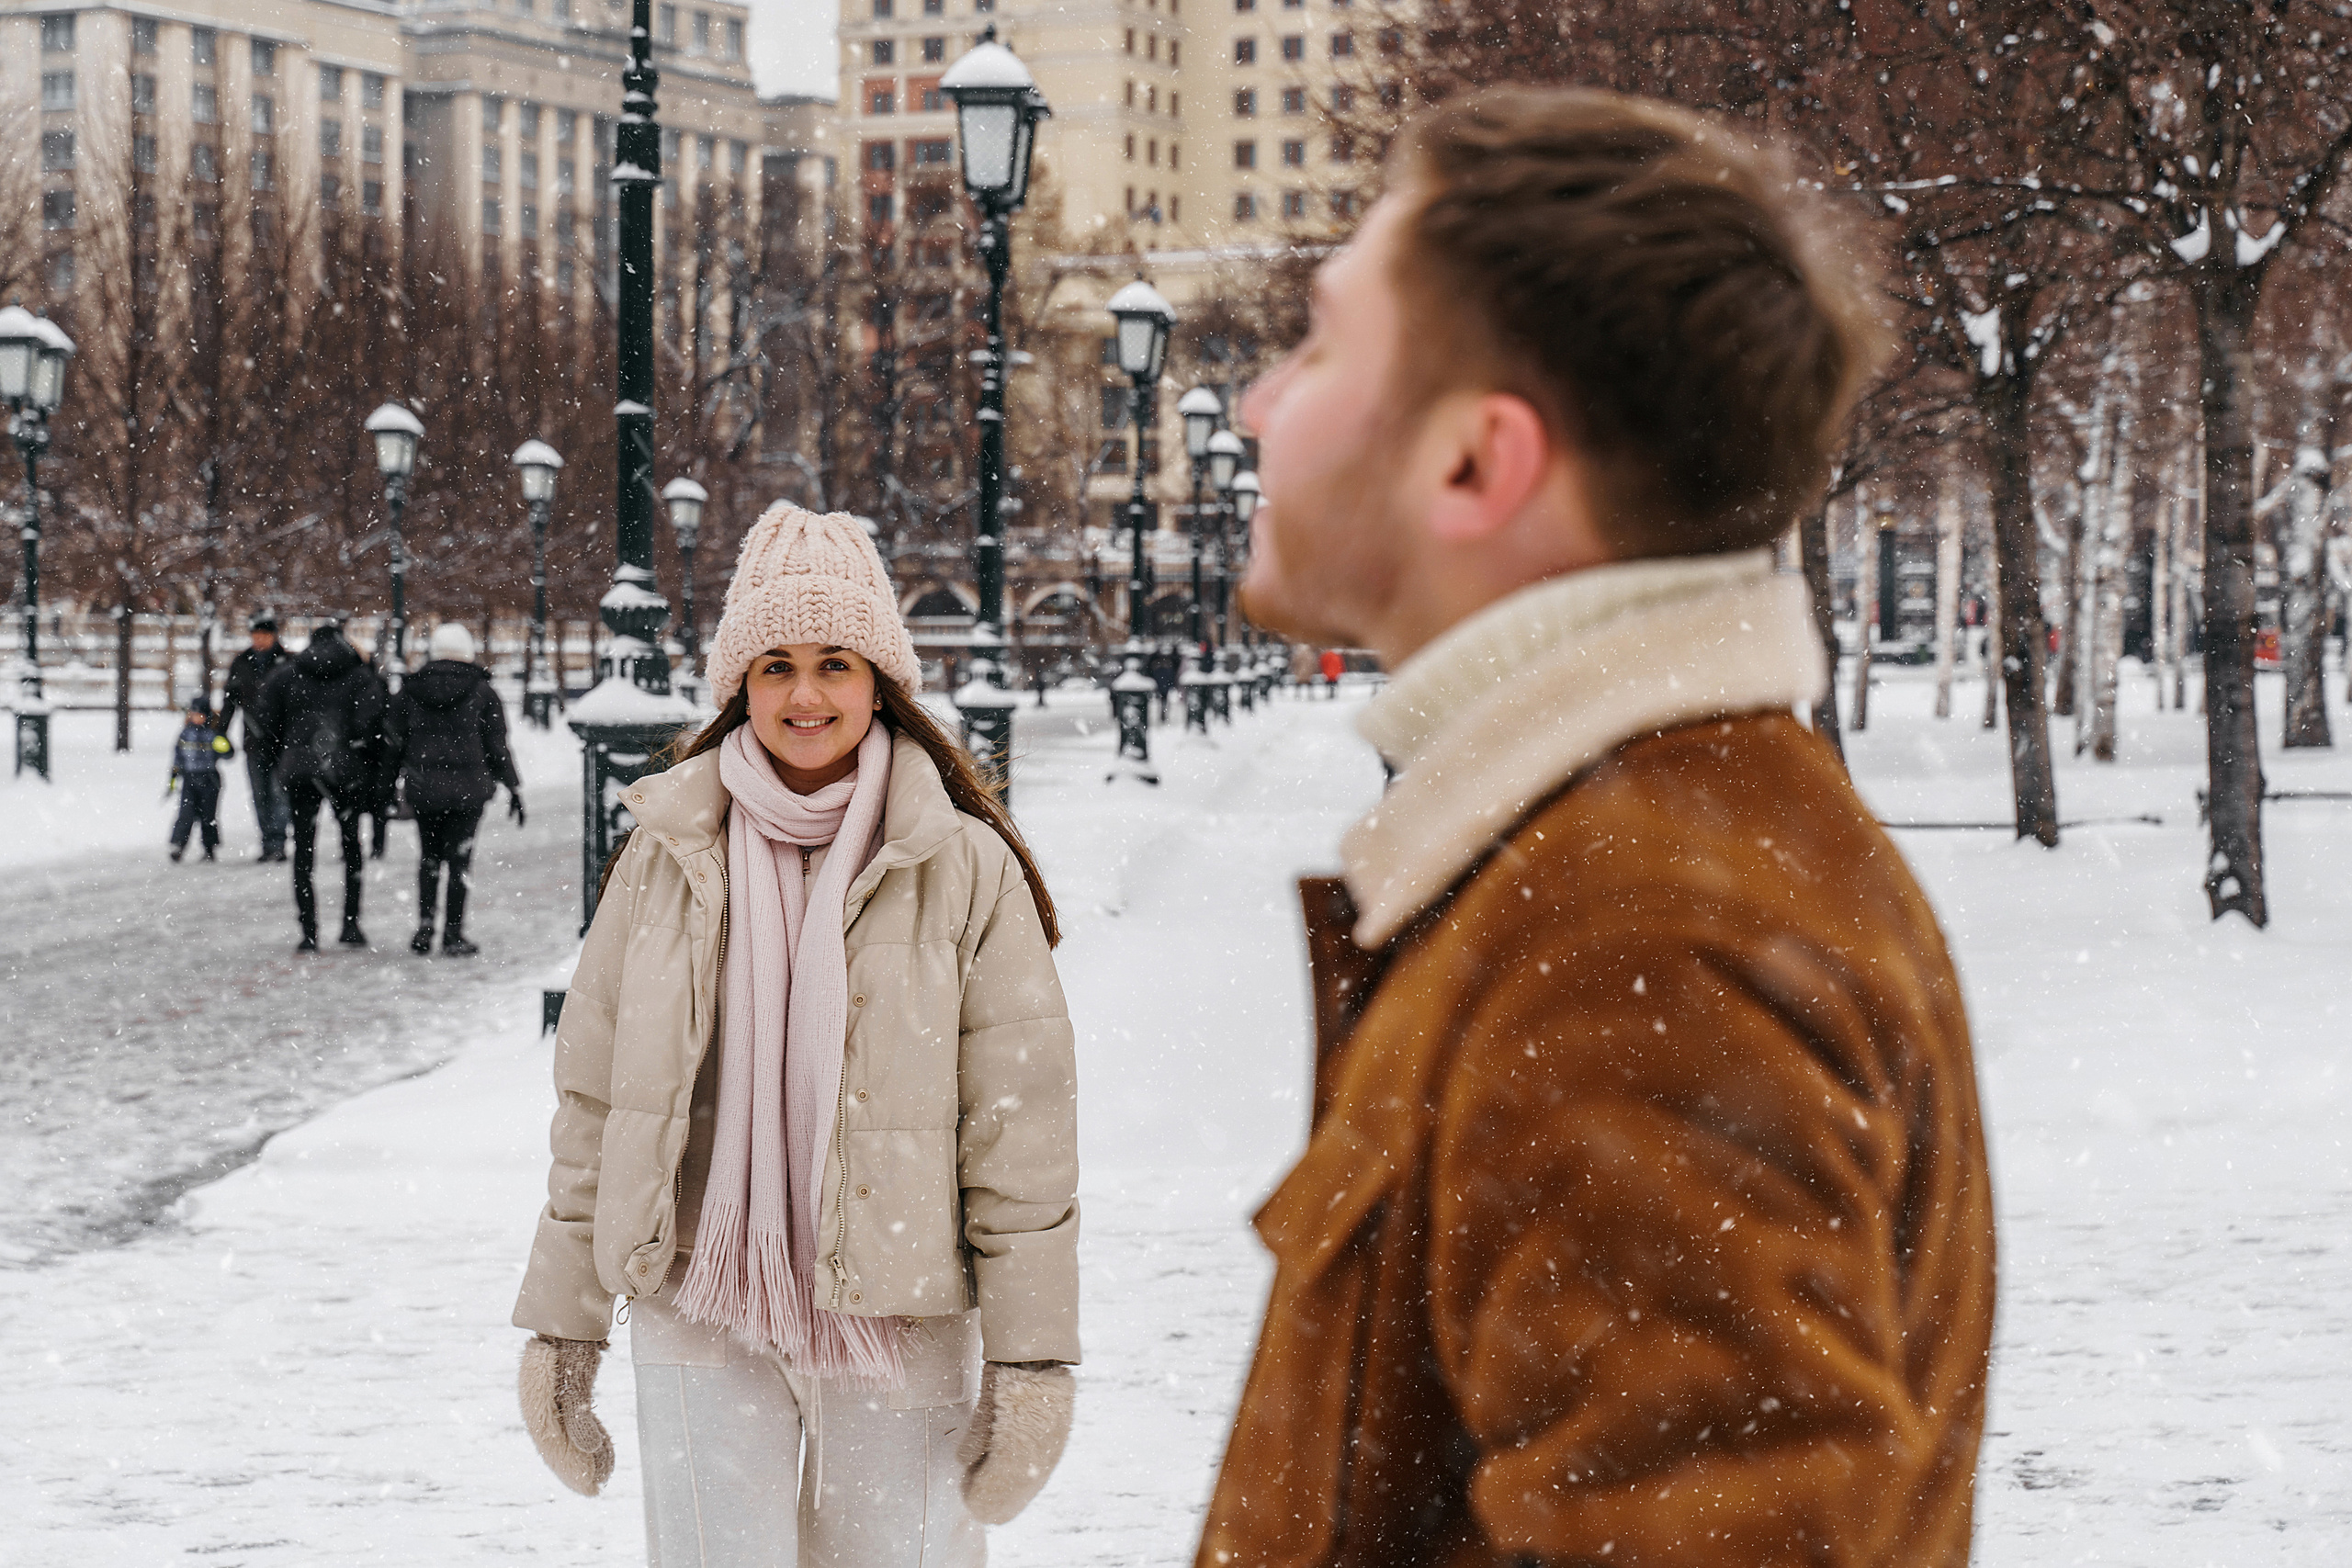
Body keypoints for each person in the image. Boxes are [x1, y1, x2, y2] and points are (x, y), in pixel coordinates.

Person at [1200, 87, 1995, 1568]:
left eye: (1318, 343)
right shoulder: (1642, 848)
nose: (1257, 401)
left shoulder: (1636, 935)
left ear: (1474, 463)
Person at [513, 502, 1080, 1565]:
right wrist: (563, 1324)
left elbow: (1019, 1128)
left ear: (881, 685)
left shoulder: (960, 866)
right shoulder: (668, 856)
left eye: (834, 662)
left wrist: (1033, 1361)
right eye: (773, 665)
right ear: (739, 686)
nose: (805, 694)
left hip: (903, 1294)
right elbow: (597, 1105)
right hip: (696, 1282)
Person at [384, 623, 524, 958]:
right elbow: (497, 745)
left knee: (429, 857)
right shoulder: (482, 692)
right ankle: (453, 933)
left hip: (423, 789)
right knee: (460, 861)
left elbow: (392, 743)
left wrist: (388, 785)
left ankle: (426, 923)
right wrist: (513, 786)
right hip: (468, 791)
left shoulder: (411, 690)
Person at [252, 620, 389, 953]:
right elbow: (373, 723)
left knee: (302, 850)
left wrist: (281, 757)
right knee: (351, 847)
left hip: (301, 770)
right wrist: (364, 762)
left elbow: (264, 722)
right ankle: (350, 923)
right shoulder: (359, 676)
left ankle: (309, 930)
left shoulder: (287, 674)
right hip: (345, 770)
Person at [215, 615, 290, 861]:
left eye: (263, 636)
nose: (258, 640)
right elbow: (230, 700)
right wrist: (221, 731)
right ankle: (267, 840)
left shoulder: (287, 662)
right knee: (259, 793)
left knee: (278, 792)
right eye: (255, 636)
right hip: (253, 740)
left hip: (282, 740)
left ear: (273, 636)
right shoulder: (242, 662)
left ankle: (277, 841)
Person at [165, 696, 232, 863]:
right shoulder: (185, 733)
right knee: (185, 815)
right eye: (193, 714)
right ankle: (178, 846)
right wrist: (173, 778)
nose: (196, 717)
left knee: (208, 816)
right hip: (189, 779)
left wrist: (221, 744)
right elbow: (178, 757)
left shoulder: (213, 733)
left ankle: (209, 848)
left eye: (199, 714)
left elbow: (229, 753)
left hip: (210, 779)